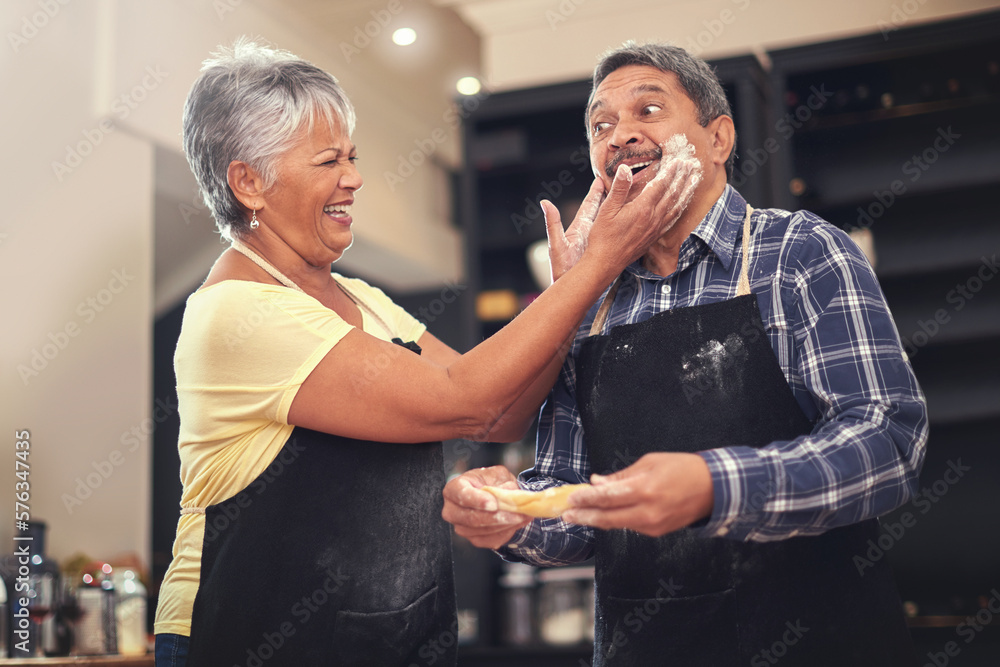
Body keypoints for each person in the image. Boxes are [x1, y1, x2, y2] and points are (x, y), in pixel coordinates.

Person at [152, 38, 700, 667]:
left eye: (352, 157)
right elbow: (463, 401)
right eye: (330, 160)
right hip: (251, 632)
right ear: (249, 182)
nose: (353, 178)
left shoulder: (359, 296)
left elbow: (501, 414)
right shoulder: (238, 312)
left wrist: (572, 283)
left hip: (386, 639)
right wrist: (599, 266)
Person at [443, 42, 928, 666]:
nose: (621, 136)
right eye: (601, 125)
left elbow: (887, 443)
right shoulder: (585, 300)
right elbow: (573, 494)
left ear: (719, 138)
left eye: (649, 110)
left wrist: (712, 487)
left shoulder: (801, 253)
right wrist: (514, 516)